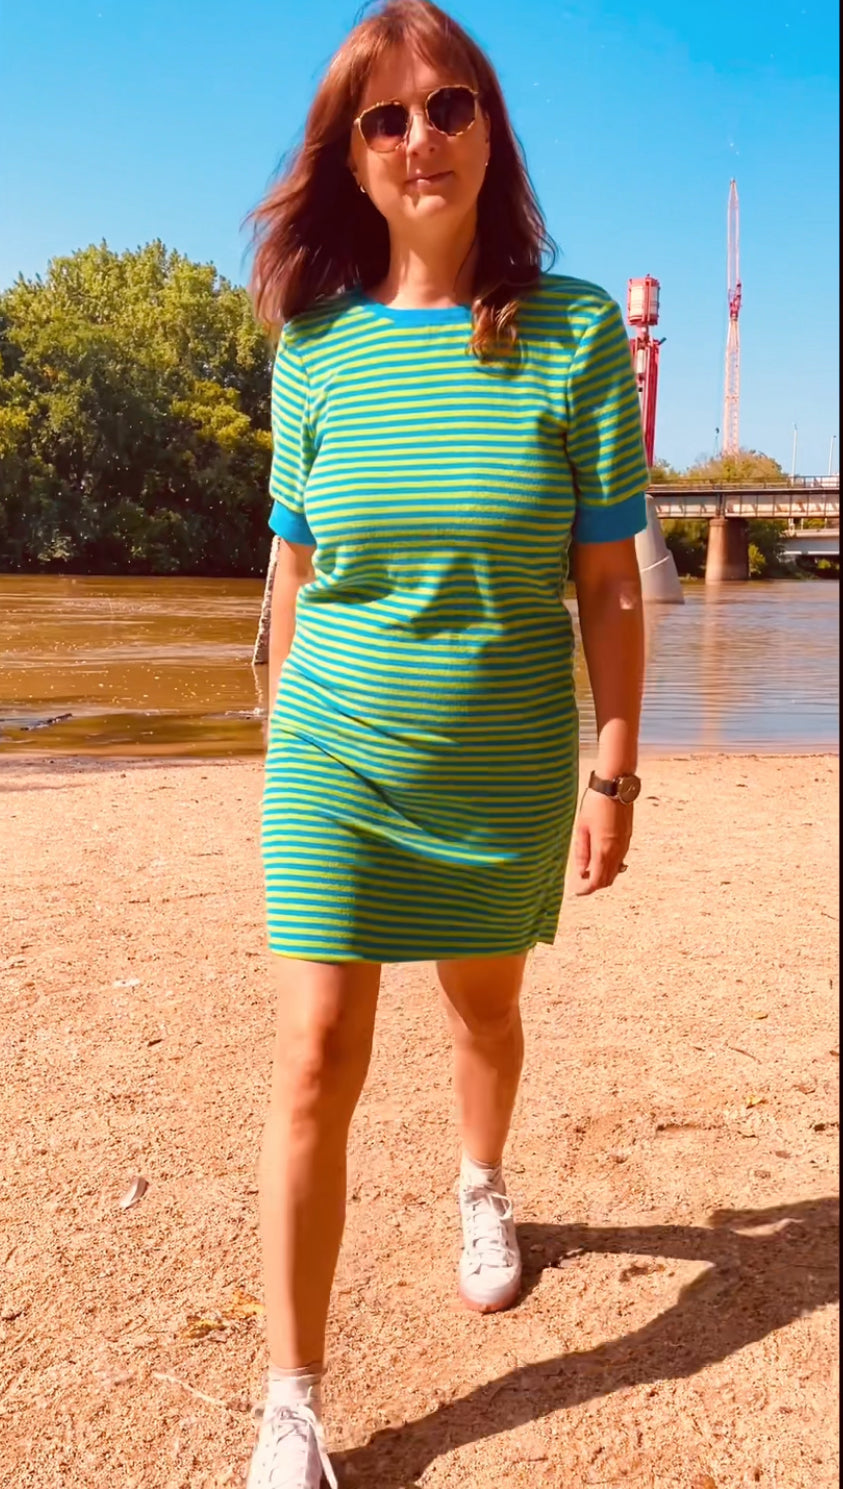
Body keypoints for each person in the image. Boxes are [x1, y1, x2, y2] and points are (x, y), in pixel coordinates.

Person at [245, 2, 647, 1483]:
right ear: (352, 161)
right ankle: (293, 1400)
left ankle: (481, 1179)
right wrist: (276, 734)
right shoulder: (313, 349)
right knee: (313, 1055)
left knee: (484, 1010)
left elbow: (608, 582)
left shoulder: (577, 333)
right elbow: (292, 567)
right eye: (388, 118)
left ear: (491, 131)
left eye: (451, 106)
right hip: (334, 755)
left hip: (501, 760)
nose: (423, 138)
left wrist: (615, 767)